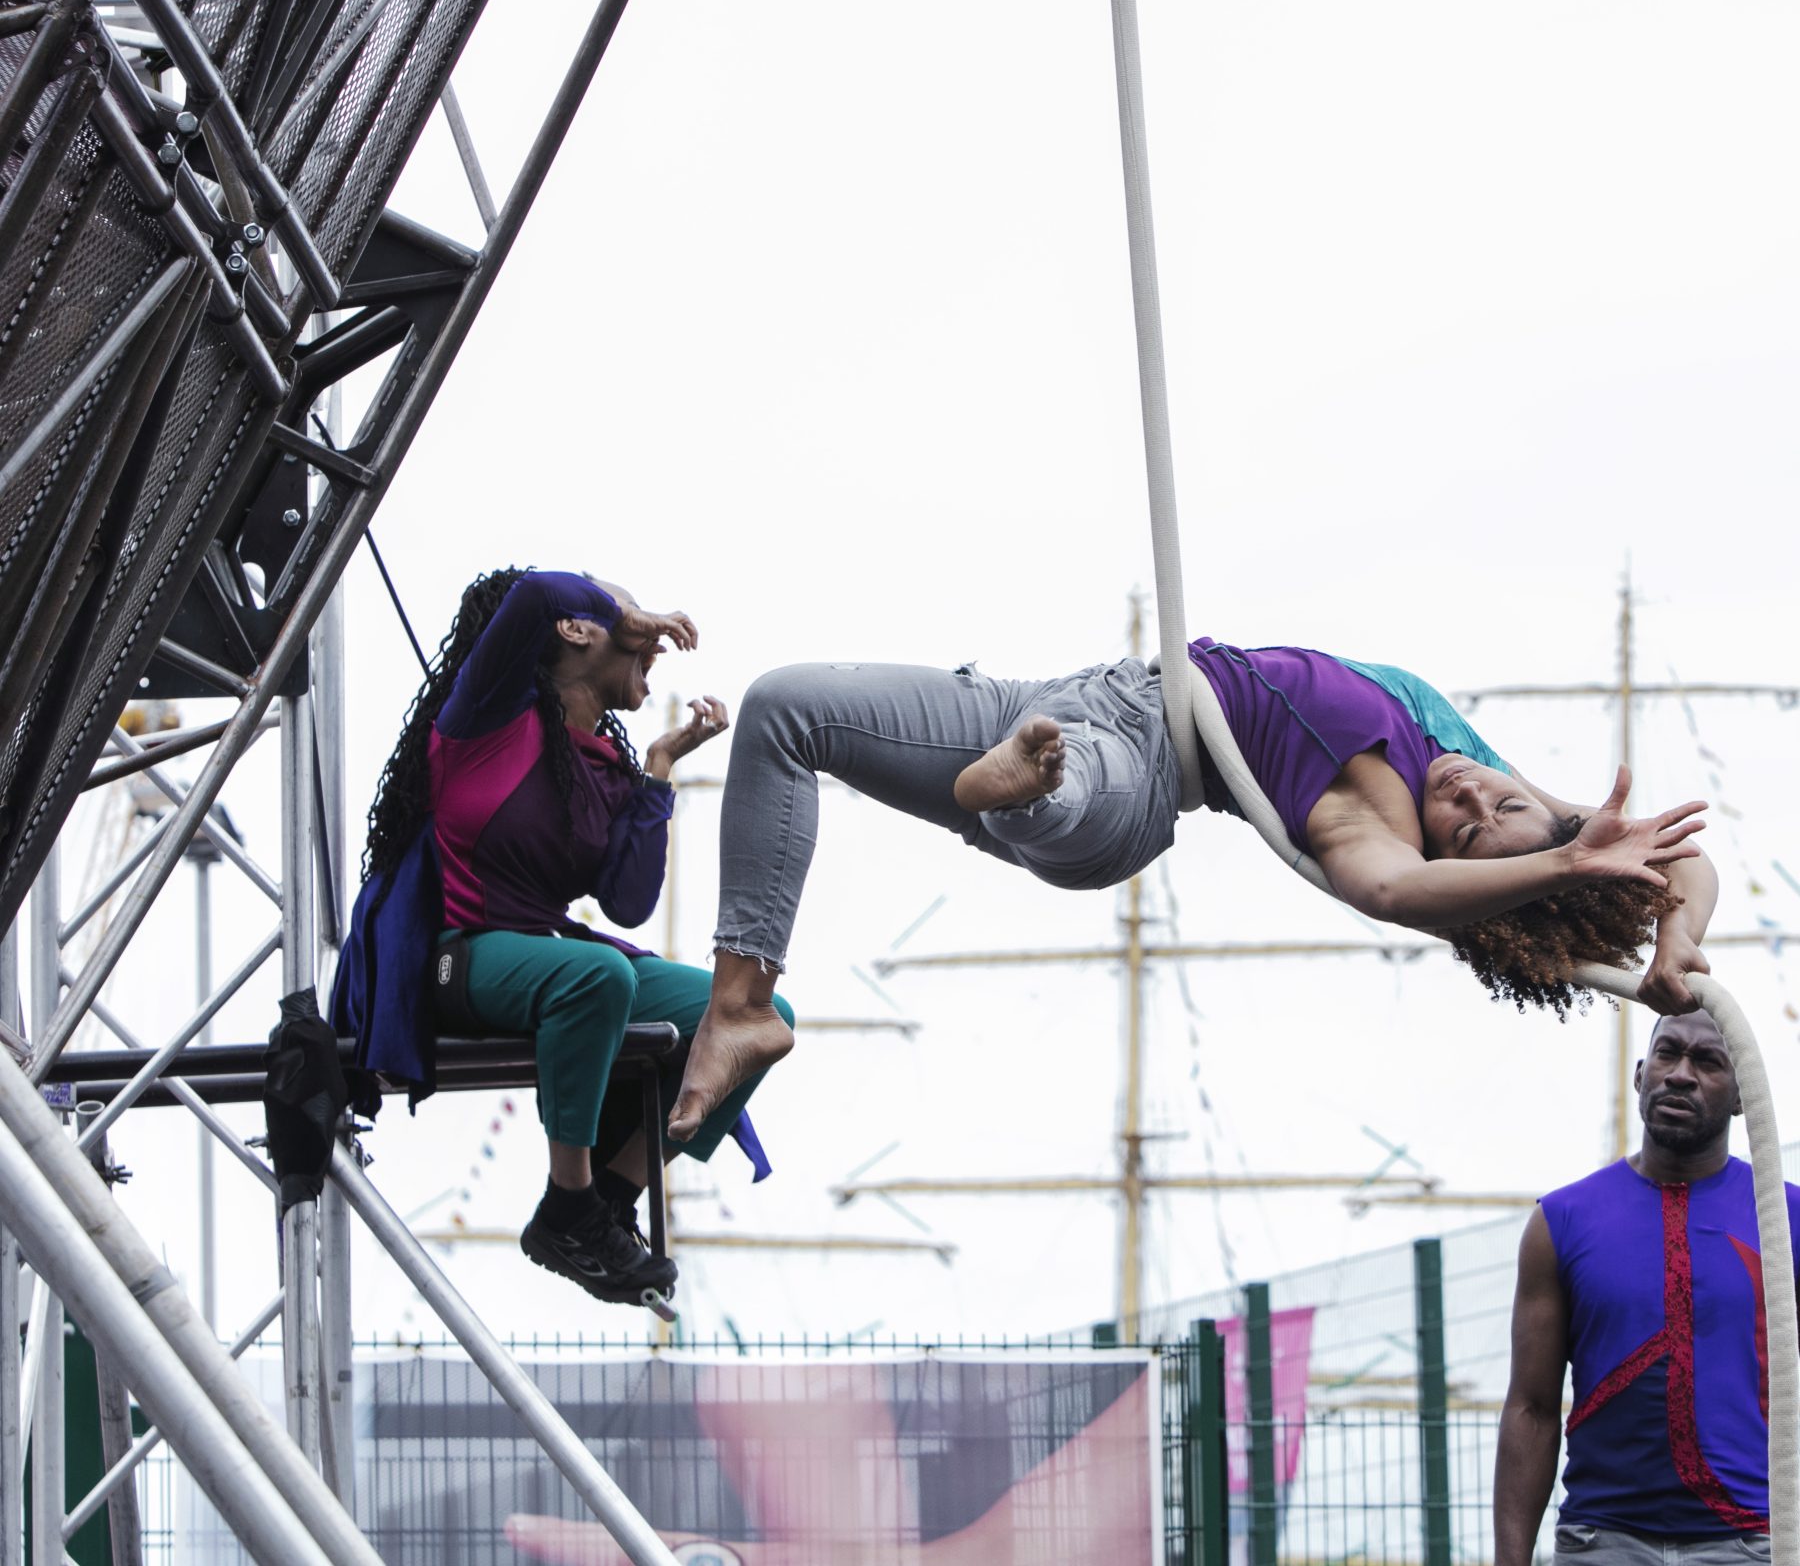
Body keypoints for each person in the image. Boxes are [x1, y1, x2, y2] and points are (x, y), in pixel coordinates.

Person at [665, 640, 1711, 1143]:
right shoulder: (1470, 758)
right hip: (1069, 692)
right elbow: (1682, 859)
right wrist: (1671, 951)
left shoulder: (1367, 820)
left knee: (1060, 788)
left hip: (1139, 763)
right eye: (1501, 805)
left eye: (1469, 829)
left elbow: (1396, 892)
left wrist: (1557, 864)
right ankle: (743, 1008)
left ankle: (1026, 792)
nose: (1473, 797)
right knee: (782, 708)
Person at [332, 568, 793, 1305]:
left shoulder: (603, 765)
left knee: (749, 1014)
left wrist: (657, 775)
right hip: (450, 960)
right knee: (595, 977)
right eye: (620, 619)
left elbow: (628, 901)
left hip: (545, 958)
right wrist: (628, 611)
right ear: (575, 632)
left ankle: (604, 1203)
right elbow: (536, 595)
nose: (648, 638)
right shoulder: (485, 716)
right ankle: (569, 1197)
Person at [1494, 1007, 1800, 1561]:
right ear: (1640, 1076)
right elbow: (1531, 1408)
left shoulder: (1787, 1218)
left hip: (1753, 1543)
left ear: (1740, 1096)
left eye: (1708, 1062)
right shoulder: (1562, 1221)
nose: (1681, 1073)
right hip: (1601, 1540)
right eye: (1668, 1053)